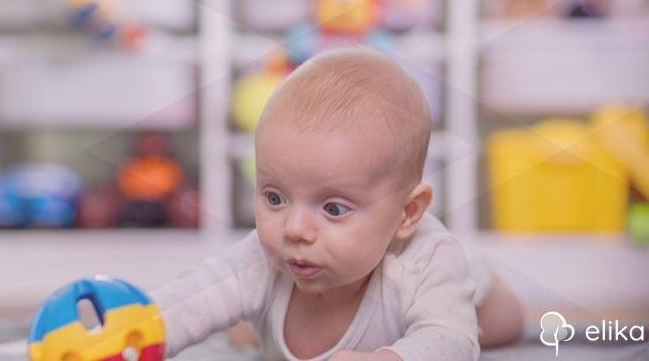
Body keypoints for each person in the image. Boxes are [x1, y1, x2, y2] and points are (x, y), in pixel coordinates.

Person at [151, 48, 523, 360]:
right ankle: (249, 320)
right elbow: (194, 296)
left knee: (501, 326)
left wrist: (390, 358)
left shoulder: (425, 259)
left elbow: (451, 341)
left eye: (332, 208)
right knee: (229, 300)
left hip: (465, 290)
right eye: (275, 198)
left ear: (407, 213)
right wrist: (142, 324)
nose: (294, 229)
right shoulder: (264, 260)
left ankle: (480, 278)